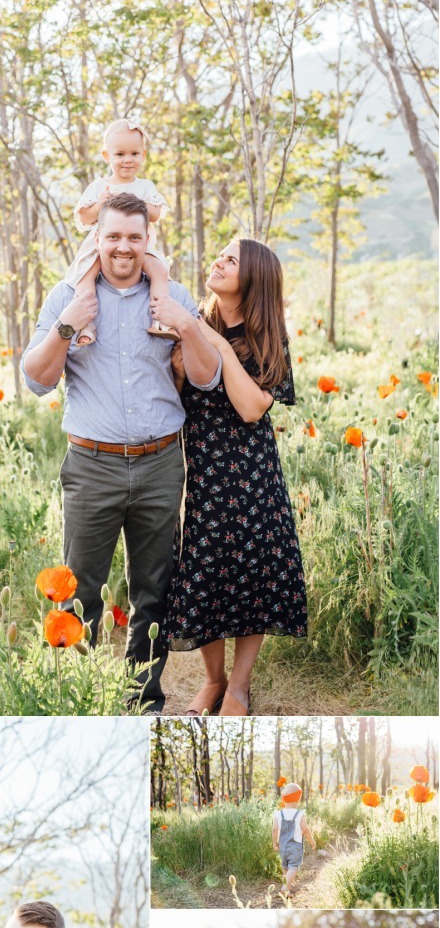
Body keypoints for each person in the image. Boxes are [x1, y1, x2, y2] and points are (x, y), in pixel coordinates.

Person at [23, 194, 223, 713]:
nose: (123, 247)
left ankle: (143, 700)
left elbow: (206, 379)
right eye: (112, 236)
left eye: (134, 237)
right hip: (92, 465)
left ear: (147, 241)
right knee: (79, 588)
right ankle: (83, 695)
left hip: (160, 464)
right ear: (98, 239)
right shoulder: (69, 297)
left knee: (152, 591)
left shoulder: (173, 296)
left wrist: (187, 323)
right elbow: (37, 380)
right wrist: (67, 325)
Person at [160, 237, 308, 715]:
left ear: (254, 279)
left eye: (231, 259)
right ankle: (212, 680)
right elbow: (174, 393)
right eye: (219, 254)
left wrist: (215, 340)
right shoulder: (188, 320)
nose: (218, 261)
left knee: (255, 576)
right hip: (202, 470)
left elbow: (250, 407)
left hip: (251, 472)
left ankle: (240, 686)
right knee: (203, 574)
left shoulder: (267, 336)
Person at [64, 119, 171, 343]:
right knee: (86, 276)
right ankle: (86, 325)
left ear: (143, 155)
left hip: (139, 247)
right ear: (107, 156)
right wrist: (98, 206)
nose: (127, 160)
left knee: (159, 271)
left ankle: (161, 319)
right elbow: (83, 216)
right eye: (120, 154)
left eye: (134, 153)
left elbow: (156, 214)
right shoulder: (100, 186)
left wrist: (137, 201)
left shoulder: (144, 186)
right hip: (101, 247)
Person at [273, 784, 314, 899]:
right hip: (295, 846)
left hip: (282, 847)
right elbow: (305, 829)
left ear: (284, 798)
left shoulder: (278, 814)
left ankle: (287, 887)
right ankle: (285, 888)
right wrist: (312, 842)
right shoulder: (300, 814)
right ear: (298, 799)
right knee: (293, 867)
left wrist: (274, 843)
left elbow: (274, 829)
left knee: (285, 867)